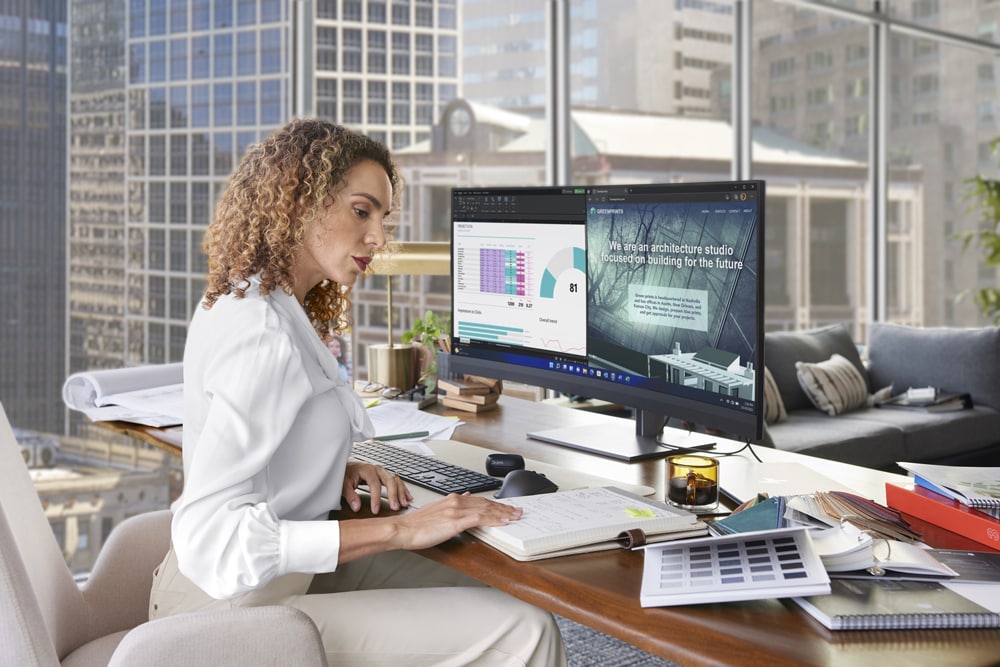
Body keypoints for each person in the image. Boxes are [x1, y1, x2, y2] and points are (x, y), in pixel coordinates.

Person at [149, 118, 566, 666]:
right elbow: (213, 538)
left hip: (271, 581)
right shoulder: (262, 333)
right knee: (524, 630)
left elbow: (264, 454)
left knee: (491, 591)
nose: (378, 237)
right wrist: (399, 528)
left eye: (384, 218)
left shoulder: (262, 300)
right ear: (299, 200)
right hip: (225, 620)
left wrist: (326, 468)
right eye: (361, 210)